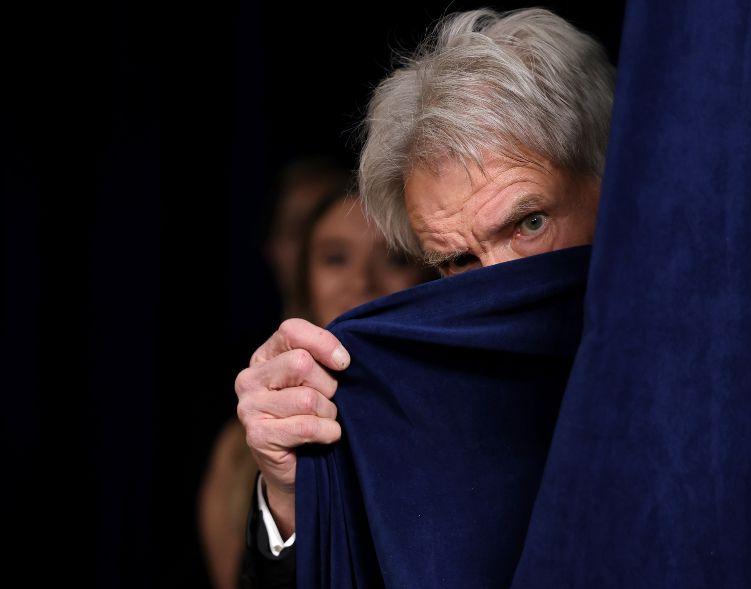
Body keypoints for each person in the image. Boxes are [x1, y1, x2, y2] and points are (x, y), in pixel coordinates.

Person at [234, 7, 615, 585]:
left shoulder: (723, 357)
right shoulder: (406, 407)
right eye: (460, 261)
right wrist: (293, 497)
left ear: (614, 182)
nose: (499, 285)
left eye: (530, 224)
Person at [200, 174, 433, 588]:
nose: (361, 284)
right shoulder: (242, 448)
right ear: (305, 282)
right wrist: (283, 496)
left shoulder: (450, 415)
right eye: (335, 258)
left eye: (395, 258)